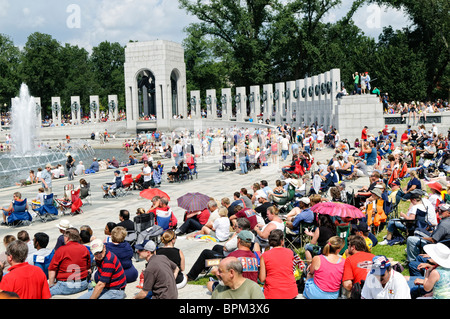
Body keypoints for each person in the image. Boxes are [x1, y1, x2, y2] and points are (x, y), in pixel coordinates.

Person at [47, 228, 91, 296]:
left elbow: (52, 269)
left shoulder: (61, 250)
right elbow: (88, 268)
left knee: (42, 293)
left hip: (66, 286)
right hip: (83, 283)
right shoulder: (84, 248)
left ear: (67, 238)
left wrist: (51, 285)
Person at [259, 229, 298, 299]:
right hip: (290, 291)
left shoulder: (265, 255)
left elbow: (262, 279)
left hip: (272, 292)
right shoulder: (290, 252)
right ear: (282, 241)